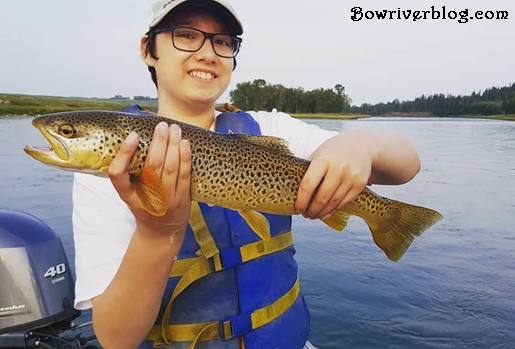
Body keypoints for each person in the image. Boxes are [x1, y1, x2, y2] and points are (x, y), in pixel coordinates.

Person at [71, 0, 421, 348]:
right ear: (148, 49)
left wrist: (360, 145)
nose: (208, 53)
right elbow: (116, 339)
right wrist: (155, 233)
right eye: (186, 35)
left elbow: (407, 164)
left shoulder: (271, 126)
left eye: (222, 41)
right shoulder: (108, 174)